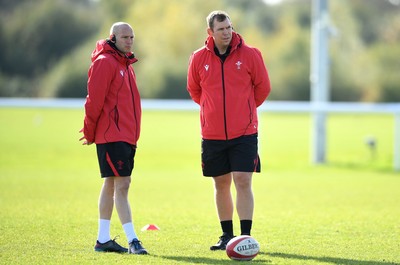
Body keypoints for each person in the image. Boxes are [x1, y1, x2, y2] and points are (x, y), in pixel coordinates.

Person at [187, 11, 271, 250]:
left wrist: (242, 110)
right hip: (212, 134)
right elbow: (194, 91)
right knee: (221, 183)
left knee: (243, 180)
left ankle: (245, 237)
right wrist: (211, 111)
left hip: (244, 132)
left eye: (229, 27)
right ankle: (226, 236)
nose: (227, 32)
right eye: (221, 29)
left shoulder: (251, 55)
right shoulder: (197, 58)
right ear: (210, 32)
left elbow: (263, 88)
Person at [79, 22, 148, 255]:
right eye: (125, 37)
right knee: (122, 184)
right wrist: (89, 132)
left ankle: (103, 239)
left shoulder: (127, 65)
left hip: (126, 136)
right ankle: (133, 240)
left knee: (111, 183)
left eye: (132, 37)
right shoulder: (105, 63)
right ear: (113, 38)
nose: (129, 41)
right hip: (112, 135)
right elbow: (94, 101)